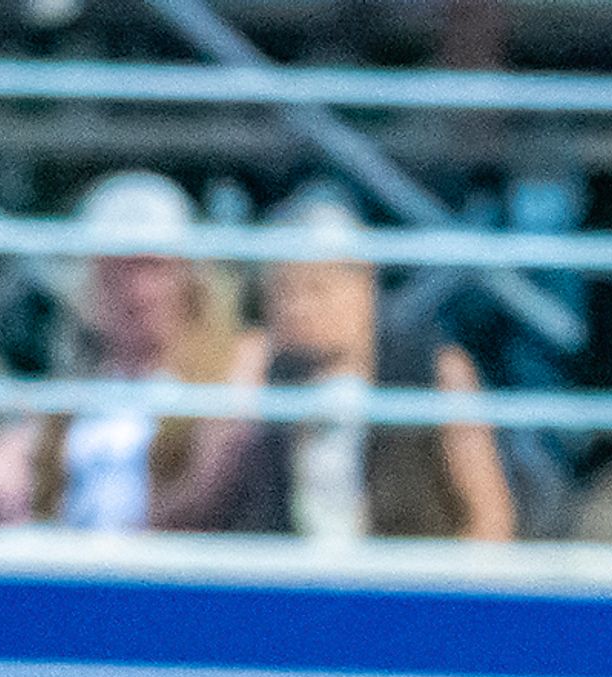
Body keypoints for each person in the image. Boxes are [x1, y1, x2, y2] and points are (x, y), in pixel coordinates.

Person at [178, 188, 520, 542]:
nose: (298, 307)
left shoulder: (437, 372)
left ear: (363, 285)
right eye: (284, 291)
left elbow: (491, 519)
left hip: (403, 583)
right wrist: (239, 395)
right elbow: (202, 504)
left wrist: (443, 591)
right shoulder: (256, 378)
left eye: (316, 288)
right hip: (289, 585)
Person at [0, 170, 259, 532]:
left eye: (153, 269)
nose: (137, 291)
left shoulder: (224, 377)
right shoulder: (68, 398)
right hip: (73, 574)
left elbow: (205, 499)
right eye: (118, 271)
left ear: (187, 278)